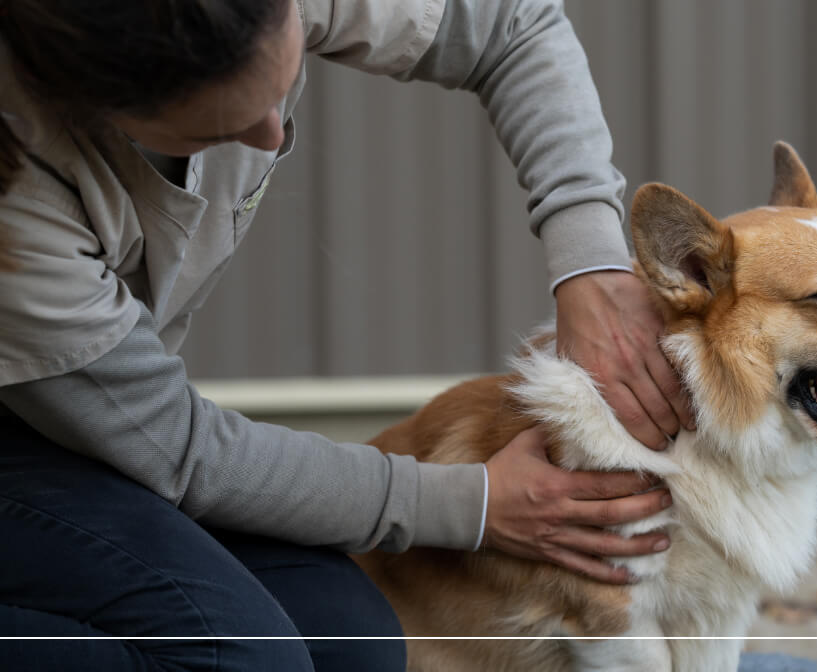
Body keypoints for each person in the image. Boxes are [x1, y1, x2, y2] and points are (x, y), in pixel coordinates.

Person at [0, 0, 694, 669]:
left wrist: (590, 258)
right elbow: (177, 450)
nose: (273, 136)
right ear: (94, 108)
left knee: (349, 639)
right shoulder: (20, 196)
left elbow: (512, 21)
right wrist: (470, 502)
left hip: (96, 436)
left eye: (280, 87)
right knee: (231, 656)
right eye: (216, 130)